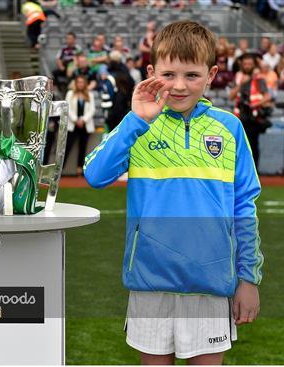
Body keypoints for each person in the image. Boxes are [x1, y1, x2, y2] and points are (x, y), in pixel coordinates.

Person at [84, 21, 263, 364]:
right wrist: (136, 120)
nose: (180, 86)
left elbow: (244, 208)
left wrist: (248, 279)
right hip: (150, 280)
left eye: (192, 75)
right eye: (169, 74)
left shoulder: (229, 128)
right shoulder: (138, 124)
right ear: (151, 72)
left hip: (211, 282)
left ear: (211, 74)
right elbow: (95, 174)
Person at [229, 52, 272, 168]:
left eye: (250, 64)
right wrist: (241, 84)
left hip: (253, 118)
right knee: (238, 146)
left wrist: (255, 104)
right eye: (245, 64)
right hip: (240, 117)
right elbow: (231, 96)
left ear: (254, 65)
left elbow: (268, 96)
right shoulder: (238, 78)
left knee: (253, 146)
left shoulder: (259, 80)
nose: (247, 66)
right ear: (242, 65)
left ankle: (254, 172)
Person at [64, 75, 95, 176]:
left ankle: (79, 170)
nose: (80, 84)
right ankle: (59, 170)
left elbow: (92, 109)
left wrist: (83, 119)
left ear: (84, 83)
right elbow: (67, 108)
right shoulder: (70, 94)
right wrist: (76, 119)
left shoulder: (89, 94)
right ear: (76, 83)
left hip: (85, 125)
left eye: (82, 82)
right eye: (78, 82)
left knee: (83, 148)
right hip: (73, 125)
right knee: (67, 147)